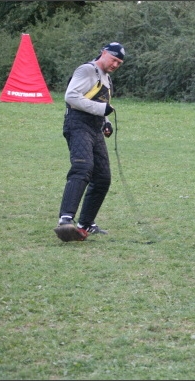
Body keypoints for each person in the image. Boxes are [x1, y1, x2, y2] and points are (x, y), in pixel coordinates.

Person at [54, 42, 125, 242]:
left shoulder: (107, 78)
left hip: (95, 128)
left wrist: (106, 122)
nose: (115, 64)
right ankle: (65, 220)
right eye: (113, 59)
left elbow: (100, 103)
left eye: (119, 63)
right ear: (103, 53)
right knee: (82, 168)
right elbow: (71, 96)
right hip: (77, 124)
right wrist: (102, 111)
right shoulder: (87, 70)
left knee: (103, 178)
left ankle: (85, 224)